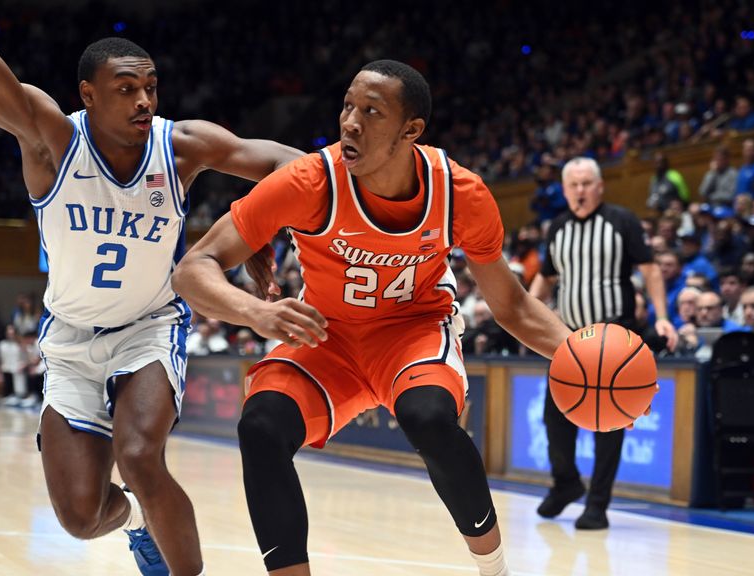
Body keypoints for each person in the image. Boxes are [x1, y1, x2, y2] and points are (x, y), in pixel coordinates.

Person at [172, 60, 590, 576]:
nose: (350, 122)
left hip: (413, 332)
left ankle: (496, 568)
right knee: (260, 427)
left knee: (429, 417)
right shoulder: (308, 181)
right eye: (348, 105)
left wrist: (583, 358)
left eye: (371, 112)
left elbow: (513, 305)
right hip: (326, 336)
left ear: (411, 130)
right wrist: (254, 312)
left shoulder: (461, 194)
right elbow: (194, 268)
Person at [0, 2, 301, 574]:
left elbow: (287, 165)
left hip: (149, 325)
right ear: (88, 94)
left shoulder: (182, 145)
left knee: (140, 456)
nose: (144, 101)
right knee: (79, 516)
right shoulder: (52, 142)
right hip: (68, 339)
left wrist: (257, 222)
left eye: (151, 87)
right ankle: (140, 522)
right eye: (126, 89)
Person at [529, 157, 678, 530]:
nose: (580, 190)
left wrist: (662, 315)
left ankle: (597, 505)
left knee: (609, 425)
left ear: (600, 186)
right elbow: (545, 280)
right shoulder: (558, 228)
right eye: (573, 185)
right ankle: (565, 483)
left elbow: (649, 269)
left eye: (586, 183)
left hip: (616, 339)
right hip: (568, 340)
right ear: (564, 190)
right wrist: (527, 318)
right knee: (554, 418)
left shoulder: (622, 221)